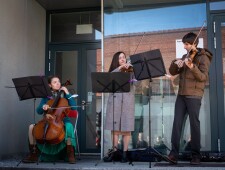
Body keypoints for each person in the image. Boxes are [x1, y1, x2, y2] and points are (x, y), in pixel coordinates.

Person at [167, 32, 212, 165]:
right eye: (184, 44)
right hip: (181, 95)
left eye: (187, 44)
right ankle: (173, 154)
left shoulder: (204, 57)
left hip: (194, 95)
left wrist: (192, 67)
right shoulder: (184, 56)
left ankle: (196, 155)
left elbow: (203, 77)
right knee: (177, 124)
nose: (185, 47)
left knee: (194, 125)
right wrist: (176, 63)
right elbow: (173, 72)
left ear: (194, 44)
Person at [22, 75, 76, 164]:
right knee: (31, 127)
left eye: (58, 81)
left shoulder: (65, 96)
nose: (58, 83)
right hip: (47, 120)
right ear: (50, 85)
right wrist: (43, 107)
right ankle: (33, 154)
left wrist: (67, 93)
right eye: (55, 82)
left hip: (62, 120)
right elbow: (39, 111)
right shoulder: (46, 97)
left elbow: (74, 108)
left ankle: (70, 154)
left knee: (69, 126)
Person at [104, 51, 135, 163]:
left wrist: (133, 71)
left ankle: (125, 154)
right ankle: (115, 152)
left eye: (124, 57)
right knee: (115, 129)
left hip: (127, 102)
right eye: (120, 58)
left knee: (127, 128)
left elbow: (137, 84)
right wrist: (120, 68)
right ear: (116, 60)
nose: (123, 59)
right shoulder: (114, 71)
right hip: (115, 101)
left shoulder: (131, 71)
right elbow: (109, 78)